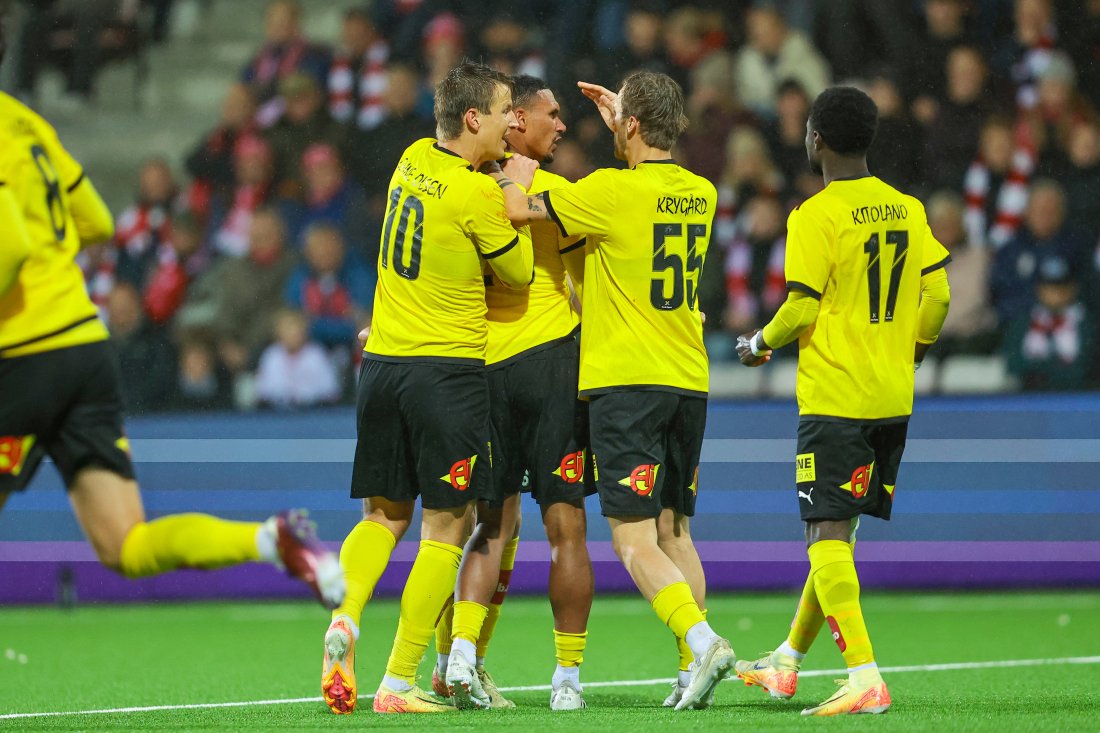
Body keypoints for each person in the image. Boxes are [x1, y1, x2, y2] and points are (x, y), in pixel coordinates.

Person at [0, 87, 342, 609]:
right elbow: (93, 219)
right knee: (126, 546)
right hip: (83, 346)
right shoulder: (26, 122)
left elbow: (13, 245)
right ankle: (266, 540)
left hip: (23, 352)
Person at [496, 70, 734, 711]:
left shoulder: (605, 192)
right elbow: (644, 193)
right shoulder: (701, 192)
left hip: (628, 382)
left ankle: (703, 640)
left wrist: (516, 166)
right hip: (688, 378)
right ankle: (690, 673)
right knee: (676, 531)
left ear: (628, 125)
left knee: (632, 541)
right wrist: (625, 124)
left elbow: (520, 210)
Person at [318, 62, 533, 715]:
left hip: (381, 362)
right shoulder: (475, 195)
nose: (512, 123)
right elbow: (520, 274)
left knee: (382, 514)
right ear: (473, 119)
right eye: (503, 112)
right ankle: (399, 679)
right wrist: (509, 188)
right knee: (448, 525)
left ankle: (346, 616)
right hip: (446, 374)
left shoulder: (409, 159)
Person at [732, 86, 951, 716]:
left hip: (835, 397)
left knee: (824, 531)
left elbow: (800, 305)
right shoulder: (907, 208)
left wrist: (756, 343)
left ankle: (864, 676)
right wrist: (909, 353)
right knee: (840, 533)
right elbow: (936, 299)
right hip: (891, 394)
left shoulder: (814, 215)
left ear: (817, 139)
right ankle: (787, 662)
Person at [434, 74, 594, 712]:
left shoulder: (461, 191)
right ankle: (567, 682)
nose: (560, 125)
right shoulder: (554, 193)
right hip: (553, 365)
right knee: (567, 530)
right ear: (515, 121)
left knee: (488, 527)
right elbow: (593, 283)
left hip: (483, 370)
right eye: (548, 115)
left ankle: (463, 662)